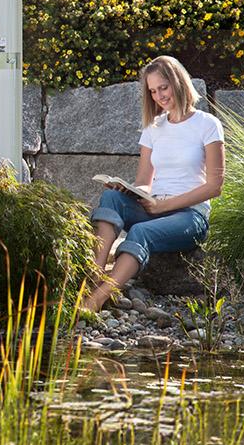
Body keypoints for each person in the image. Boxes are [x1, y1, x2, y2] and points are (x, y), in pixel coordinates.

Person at [80, 55, 224, 314]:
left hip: (190, 216)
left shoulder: (207, 124)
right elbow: (144, 182)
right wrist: (132, 191)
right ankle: (92, 277)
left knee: (141, 232)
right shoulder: (154, 127)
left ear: (178, 82)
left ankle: (96, 300)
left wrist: (164, 206)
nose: (159, 96)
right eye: (153, 91)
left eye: (163, 87)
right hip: (154, 206)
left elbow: (215, 186)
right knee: (111, 198)